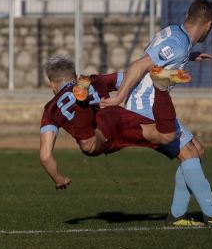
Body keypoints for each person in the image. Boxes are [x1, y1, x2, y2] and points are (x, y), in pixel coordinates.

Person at [100, 0, 212, 226]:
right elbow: (139, 65)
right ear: (208, 25)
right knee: (188, 152)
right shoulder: (178, 44)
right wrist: (119, 96)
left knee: (197, 151)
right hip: (145, 107)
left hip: (154, 103)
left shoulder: (177, 35)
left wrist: (191, 56)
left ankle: (177, 214)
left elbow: (165, 55)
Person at [39, 55, 192, 211]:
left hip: (96, 128)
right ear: (76, 76)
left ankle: (82, 105)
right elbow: (131, 78)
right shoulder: (96, 80)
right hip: (116, 115)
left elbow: (45, 156)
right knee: (166, 135)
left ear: (52, 84)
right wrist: (179, 62)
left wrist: (59, 179)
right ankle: (162, 90)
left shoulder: (50, 109)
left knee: (88, 145)